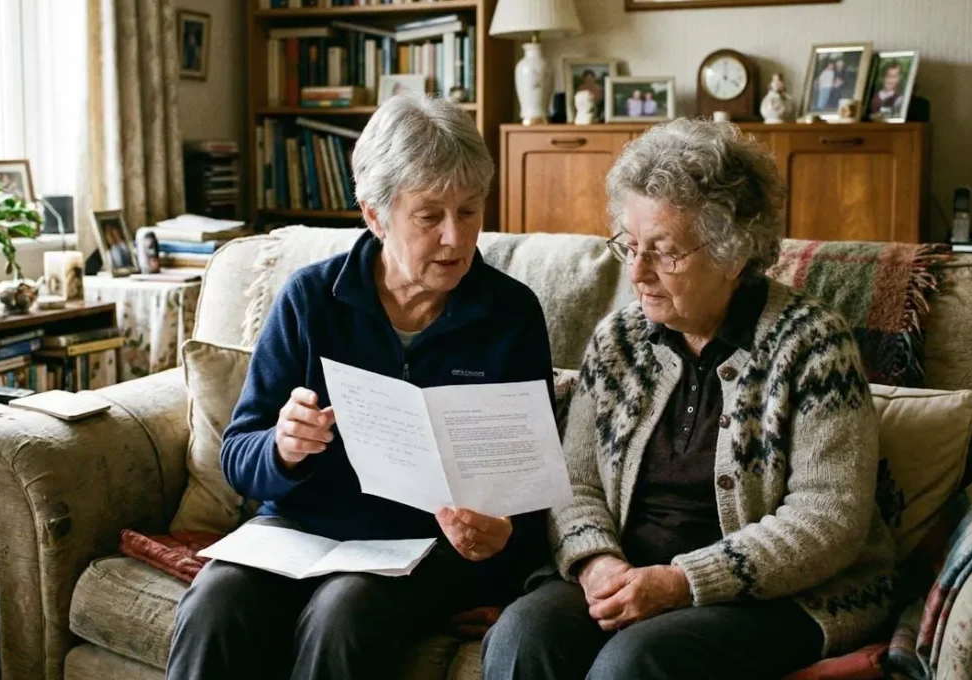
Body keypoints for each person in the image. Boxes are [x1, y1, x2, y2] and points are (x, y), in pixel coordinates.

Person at [482, 119, 895, 680]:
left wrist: (683, 582)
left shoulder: (813, 345)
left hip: (775, 596)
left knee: (634, 663)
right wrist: (596, 561)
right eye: (629, 245)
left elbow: (828, 518)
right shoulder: (617, 341)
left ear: (733, 254)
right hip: (630, 576)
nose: (638, 272)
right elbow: (570, 479)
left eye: (665, 252)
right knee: (522, 634)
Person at [167, 94, 555, 680]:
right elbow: (239, 456)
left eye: (470, 211)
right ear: (375, 215)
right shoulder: (310, 299)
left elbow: (536, 483)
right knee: (213, 602)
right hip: (297, 534)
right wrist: (282, 448)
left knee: (342, 613)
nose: (455, 238)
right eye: (430, 216)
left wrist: (503, 538)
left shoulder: (511, 315)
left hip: (423, 551)